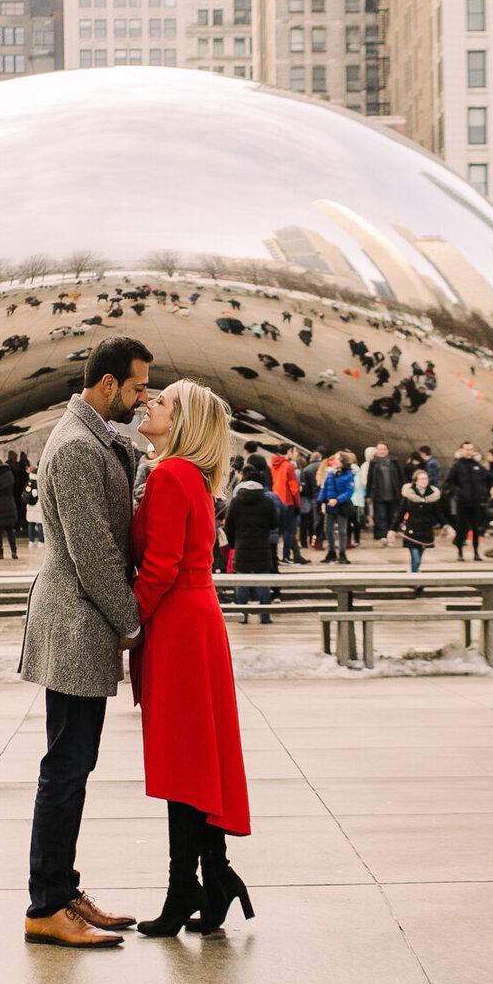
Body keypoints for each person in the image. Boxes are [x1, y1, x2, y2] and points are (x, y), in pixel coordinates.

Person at [21, 334, 153, 949]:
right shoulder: (76, 448)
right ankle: (47, 905)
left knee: (74, 764)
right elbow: (93, 551)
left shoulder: (93, 439)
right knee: (66, 768)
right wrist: (131, 620)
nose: (141, 396)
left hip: (81, 622)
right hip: (75, 624)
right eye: (135, 386)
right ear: (107, 385)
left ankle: (63, 889)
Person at [130, 379, 252, 938]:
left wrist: (125, 626)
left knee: (183, 763)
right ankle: (213, 876)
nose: (149, 403)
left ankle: (189, 888)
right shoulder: (190, 477)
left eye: (163, 401)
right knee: (198, 758)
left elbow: (159, 567)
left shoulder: (171, 475)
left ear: (181, 423)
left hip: (178, 622)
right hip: (195, 619)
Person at [224, 461, 280, 624]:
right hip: (262, 547)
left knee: (241, 581)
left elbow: (229, 524)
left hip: (241, 546)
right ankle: (265, 615)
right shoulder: (267, 501)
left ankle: (242, 614)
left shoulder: (236, 501)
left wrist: (233, 543)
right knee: (263, 581)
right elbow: (274, 523)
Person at [396, 466, 444, 580]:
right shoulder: (409, 495)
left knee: (419, 558)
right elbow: (400, 513)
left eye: (426, 479)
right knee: (415, 558)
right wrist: (392, 529)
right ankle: (415, 580)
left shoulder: (432, 495)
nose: (424, 481)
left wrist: (447, 526)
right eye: (421, 479)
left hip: (425, 530)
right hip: (412, 530)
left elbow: (439, 514)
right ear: (416, 481)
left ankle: (414, 575)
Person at [445, 441, 489, 562]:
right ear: (461, 450)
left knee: (476, 528)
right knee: (461, 528)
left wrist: (483, 493)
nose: (469, 452)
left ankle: (476, 552)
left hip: (476, 502)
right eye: (466, 449)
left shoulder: (477, 465)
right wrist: (458, 492)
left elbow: (484, 480)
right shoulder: (456, 466)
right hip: (462, 502)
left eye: (470, 449)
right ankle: (460, 552)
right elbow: (449, 482)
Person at [269, 446, 305, 563]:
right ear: (289, 451)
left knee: (277, 530)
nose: (295, 454)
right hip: (288, 501)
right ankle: (286, 556)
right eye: (294, 451)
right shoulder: (288, 466)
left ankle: (275, 556)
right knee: (289, 530)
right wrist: (298, 503)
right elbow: (294, 487)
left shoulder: (272, 465)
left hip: (275, 499)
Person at [318, 452, 355, 563]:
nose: (335, 461)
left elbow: (349, 491)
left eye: (338, 459)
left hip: (341, 506)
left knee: (342, 530)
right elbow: (324, 488)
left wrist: (337, 500)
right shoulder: (330, 473)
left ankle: (342, 553)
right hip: (330, 505)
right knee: (328, 530)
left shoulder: (348, 475)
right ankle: (331, 551)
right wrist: (320, 501)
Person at [366, 442, 404, 542]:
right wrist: (368, 494)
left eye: (384, 449)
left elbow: (401, 477)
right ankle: (383, 534)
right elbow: (369, 479)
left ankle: (392, 533)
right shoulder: (373, 462)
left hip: (393, 494)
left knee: (393, 515)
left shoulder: (395, 461)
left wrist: (402, 490)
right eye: (380, 449)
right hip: (379, 494)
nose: (382, 451)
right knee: (381, 515)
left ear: (387, 450)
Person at [0, 452, 21, 560]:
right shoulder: (9, 473)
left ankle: (0, 553)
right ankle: (13, 551)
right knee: (10, 530)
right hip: (9, 503)